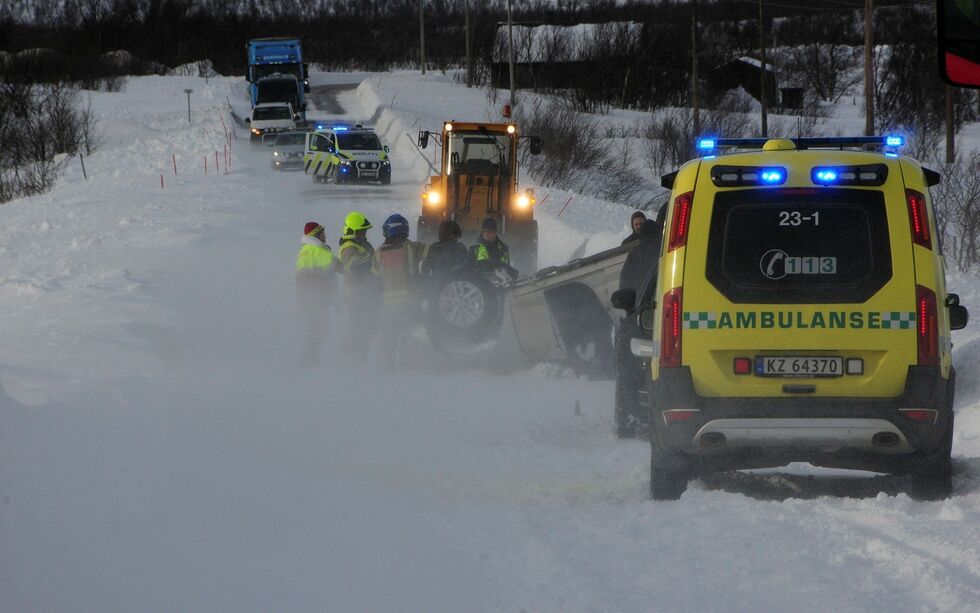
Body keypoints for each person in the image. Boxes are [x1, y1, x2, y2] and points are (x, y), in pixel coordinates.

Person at [373, 213, 426, 368]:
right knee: (410, 333)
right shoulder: (413, 247)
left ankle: (385, 365)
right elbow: (433, 251)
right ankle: (408, 364)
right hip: (411, 300)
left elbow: (374, 279)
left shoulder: (379, 252)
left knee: (389, 334)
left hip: (389, 304)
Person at [337, 211, 379, 357]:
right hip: (356, 294)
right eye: (362, 231)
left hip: (364, 293)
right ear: (354, 231)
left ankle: (356, 353)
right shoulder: (348, 247)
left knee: (367, 327)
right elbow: (354, 266)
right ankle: (355, 356)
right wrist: (375, 261)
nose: (365, 234)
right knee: (361, 327)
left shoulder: (360, 244)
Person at [295, 221, 336, 364]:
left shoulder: (304, 250)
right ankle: (309, 358)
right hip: (317, 295)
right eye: (322, 233)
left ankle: (309, 357)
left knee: (315, 326)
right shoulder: (318, 249)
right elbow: (334, 264)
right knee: (319, 327)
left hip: (305, 295)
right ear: (317, 235)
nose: (325, 236)